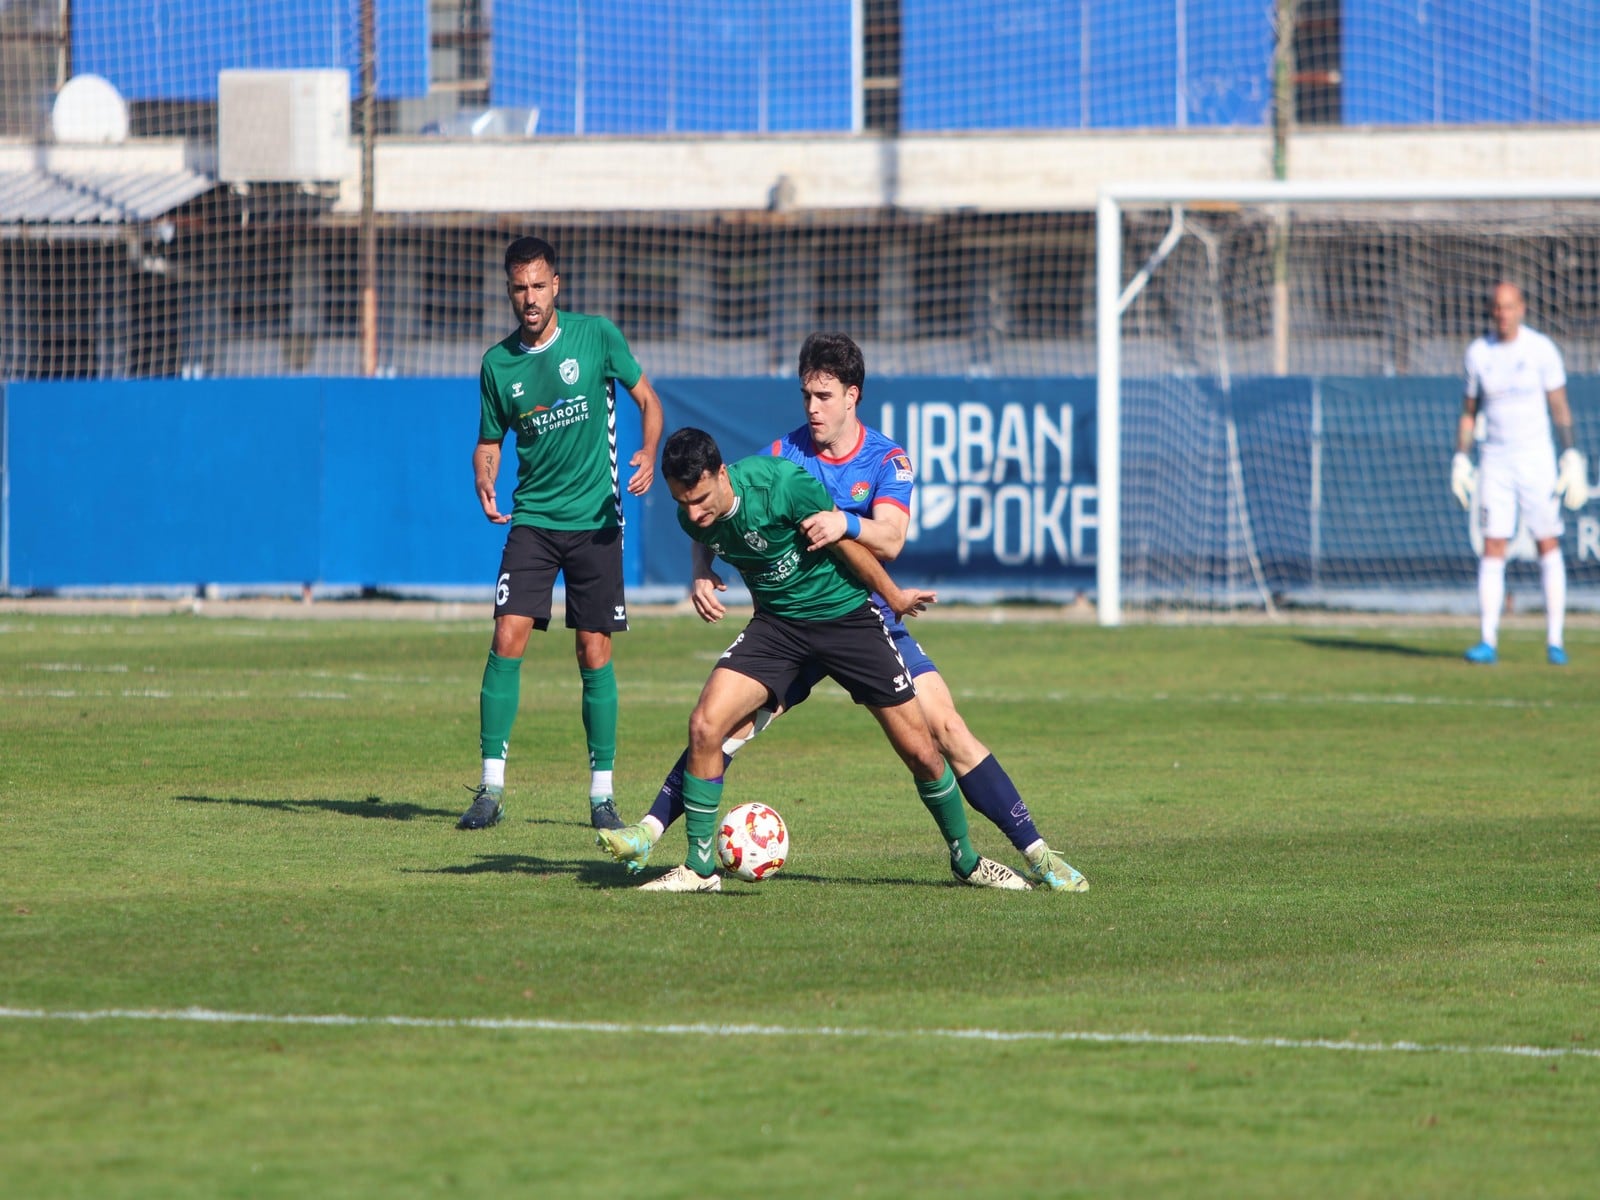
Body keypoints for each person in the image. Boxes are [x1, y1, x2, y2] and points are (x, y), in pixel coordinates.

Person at [600, 332, 1088, 892]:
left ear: (851, 396)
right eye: (806, 394)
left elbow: (892, 539)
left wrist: (845, 523)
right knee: (722, 725)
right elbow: (723, 513)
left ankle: (1033, 853)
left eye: (824, 396)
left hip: (869, 612)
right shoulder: (782, 456)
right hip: (787, 622)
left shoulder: (886, 458)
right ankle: (661, 836)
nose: (812, 408)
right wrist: (703, 570)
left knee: (942, 734)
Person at [633, 426, 1030, 892]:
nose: (694, 513)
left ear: (721, 474)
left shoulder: (781, 483)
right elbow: (708, 535)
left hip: (845, 617)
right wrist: (701, 570)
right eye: (683, 502)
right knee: (705, 725)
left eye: (700, 498)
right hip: (778, 628)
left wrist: (894, 596)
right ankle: (700, 868)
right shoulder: (692, 514)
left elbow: (845, 543)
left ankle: (966, 859)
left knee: (922, 751)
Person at [458, 235, 664, 831]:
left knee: (592, 650)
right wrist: (484, 473)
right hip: (534, 520)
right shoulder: (497, 365)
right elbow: (489, 439)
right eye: (519, 287)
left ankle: (602, 796)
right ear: (509, 291)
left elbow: (648, 400)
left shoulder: (596, 336)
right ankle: (490, 789)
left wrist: (649, 451)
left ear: (556, 286)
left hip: (597, 520)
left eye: (538, 285)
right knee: (507, 635)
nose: (529, 297)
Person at [1452, 281, 1588, 665]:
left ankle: (1555, 640)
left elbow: (1559, 406)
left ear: (1522, 308)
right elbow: (1469, 411)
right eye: (1497, 307)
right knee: (1494, 544)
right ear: (1490, 310)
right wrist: (1461, 458)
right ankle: (1487, 640)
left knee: (1548, 541)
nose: (1503, 313)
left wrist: (1571, 455)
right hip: (1495, 459)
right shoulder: (1479, 353)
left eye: (1509, 306)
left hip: (1536, 459)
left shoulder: (1541, 350)